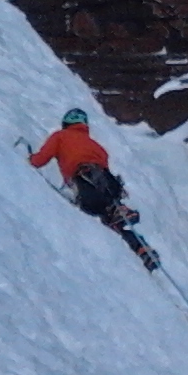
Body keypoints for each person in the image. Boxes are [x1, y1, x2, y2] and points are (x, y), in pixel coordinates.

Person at [27, 109, 159, 268]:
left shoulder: (60, 136)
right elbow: (104, 166)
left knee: (100, 209)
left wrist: (30, 160)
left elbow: (41, 159)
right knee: (112, 220)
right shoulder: (97, 147)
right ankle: (141, 248)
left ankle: (117, 214)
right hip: (108, 183)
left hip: (86, 183)